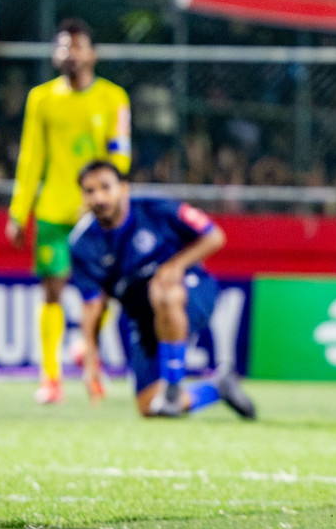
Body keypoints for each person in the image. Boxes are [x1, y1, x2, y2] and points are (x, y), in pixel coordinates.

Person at [6, 18, 132, 405]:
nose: (69, 53)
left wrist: (107, 199)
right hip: (53, 211)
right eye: (63, 46)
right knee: (53, 292)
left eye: (77, 46)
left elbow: (121, 158)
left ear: (92, 54)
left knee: (104, 294)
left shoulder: (114, 98)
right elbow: (31, 158)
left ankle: (86, 349)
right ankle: (50, 377)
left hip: (97, 216)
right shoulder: (41, 99)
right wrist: (18, 211)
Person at [68, 160, 255, 420]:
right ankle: (217, 388)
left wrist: (175, 266)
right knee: (149, 407)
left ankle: (173, 386)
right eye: (90, 191)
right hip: (144, 318)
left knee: (162, 287)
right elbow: (93, 306)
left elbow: (214, 236)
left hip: (191, 292)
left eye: (105, 187)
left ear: (123, 188)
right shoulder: (81, 243)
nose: (99, 197)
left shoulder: (156, 208)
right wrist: (91, 363)